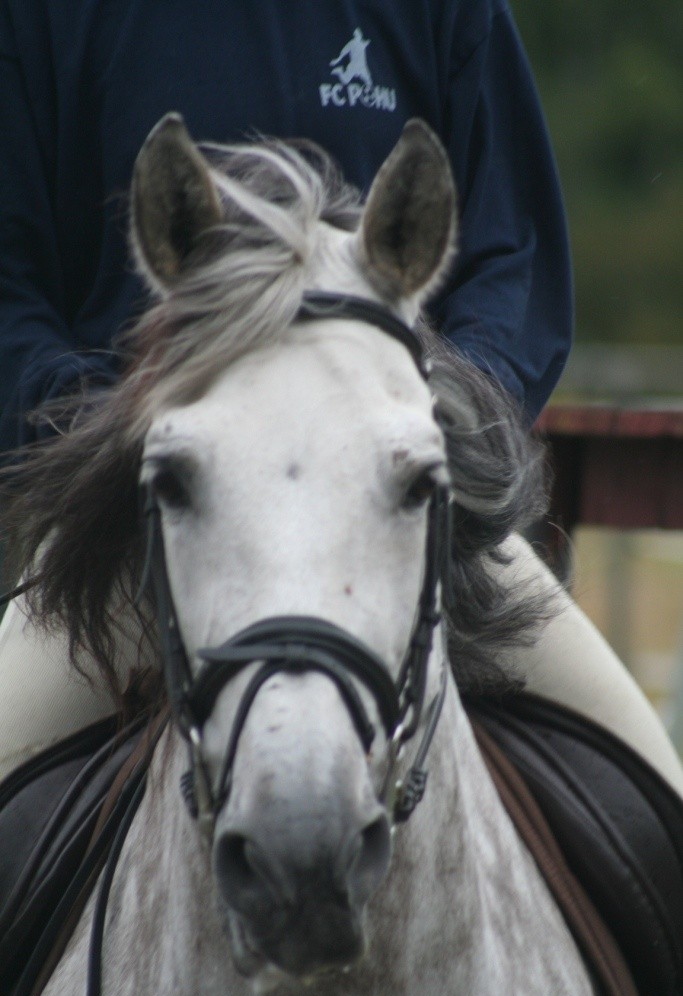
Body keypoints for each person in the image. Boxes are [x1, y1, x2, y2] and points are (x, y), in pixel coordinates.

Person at [1, 0, 682, 796]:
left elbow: (511, 259)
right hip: (136, 524)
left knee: (654, 794)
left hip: (408, 512)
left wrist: (425, 413)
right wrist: (113, 434)